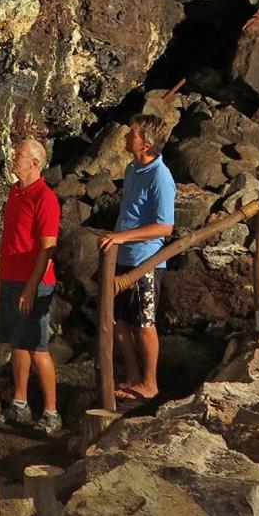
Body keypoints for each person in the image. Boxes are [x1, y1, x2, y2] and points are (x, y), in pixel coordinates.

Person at [98, 114, 176, 402]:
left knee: (144, 322)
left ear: (147, 143)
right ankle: (133, 376)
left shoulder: (160, 176)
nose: (127, 136)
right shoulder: (133, 168)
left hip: (145, 259)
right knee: (117, 320)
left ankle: (150, 383)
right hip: (124, 254)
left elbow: (165, 226)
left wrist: (121, 237)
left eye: (133, 133)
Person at [0, 138, 63, 434]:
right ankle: (19, 403)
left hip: (34, 282)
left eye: (18, 155)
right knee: (16, 341)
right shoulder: (16, 191)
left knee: (37, 346)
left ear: (34, 163)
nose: (13, 157)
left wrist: (31, 287)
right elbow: (9, 239)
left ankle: (51, 411)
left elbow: (48, 249)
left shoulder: (44, 198)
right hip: (11, 277)